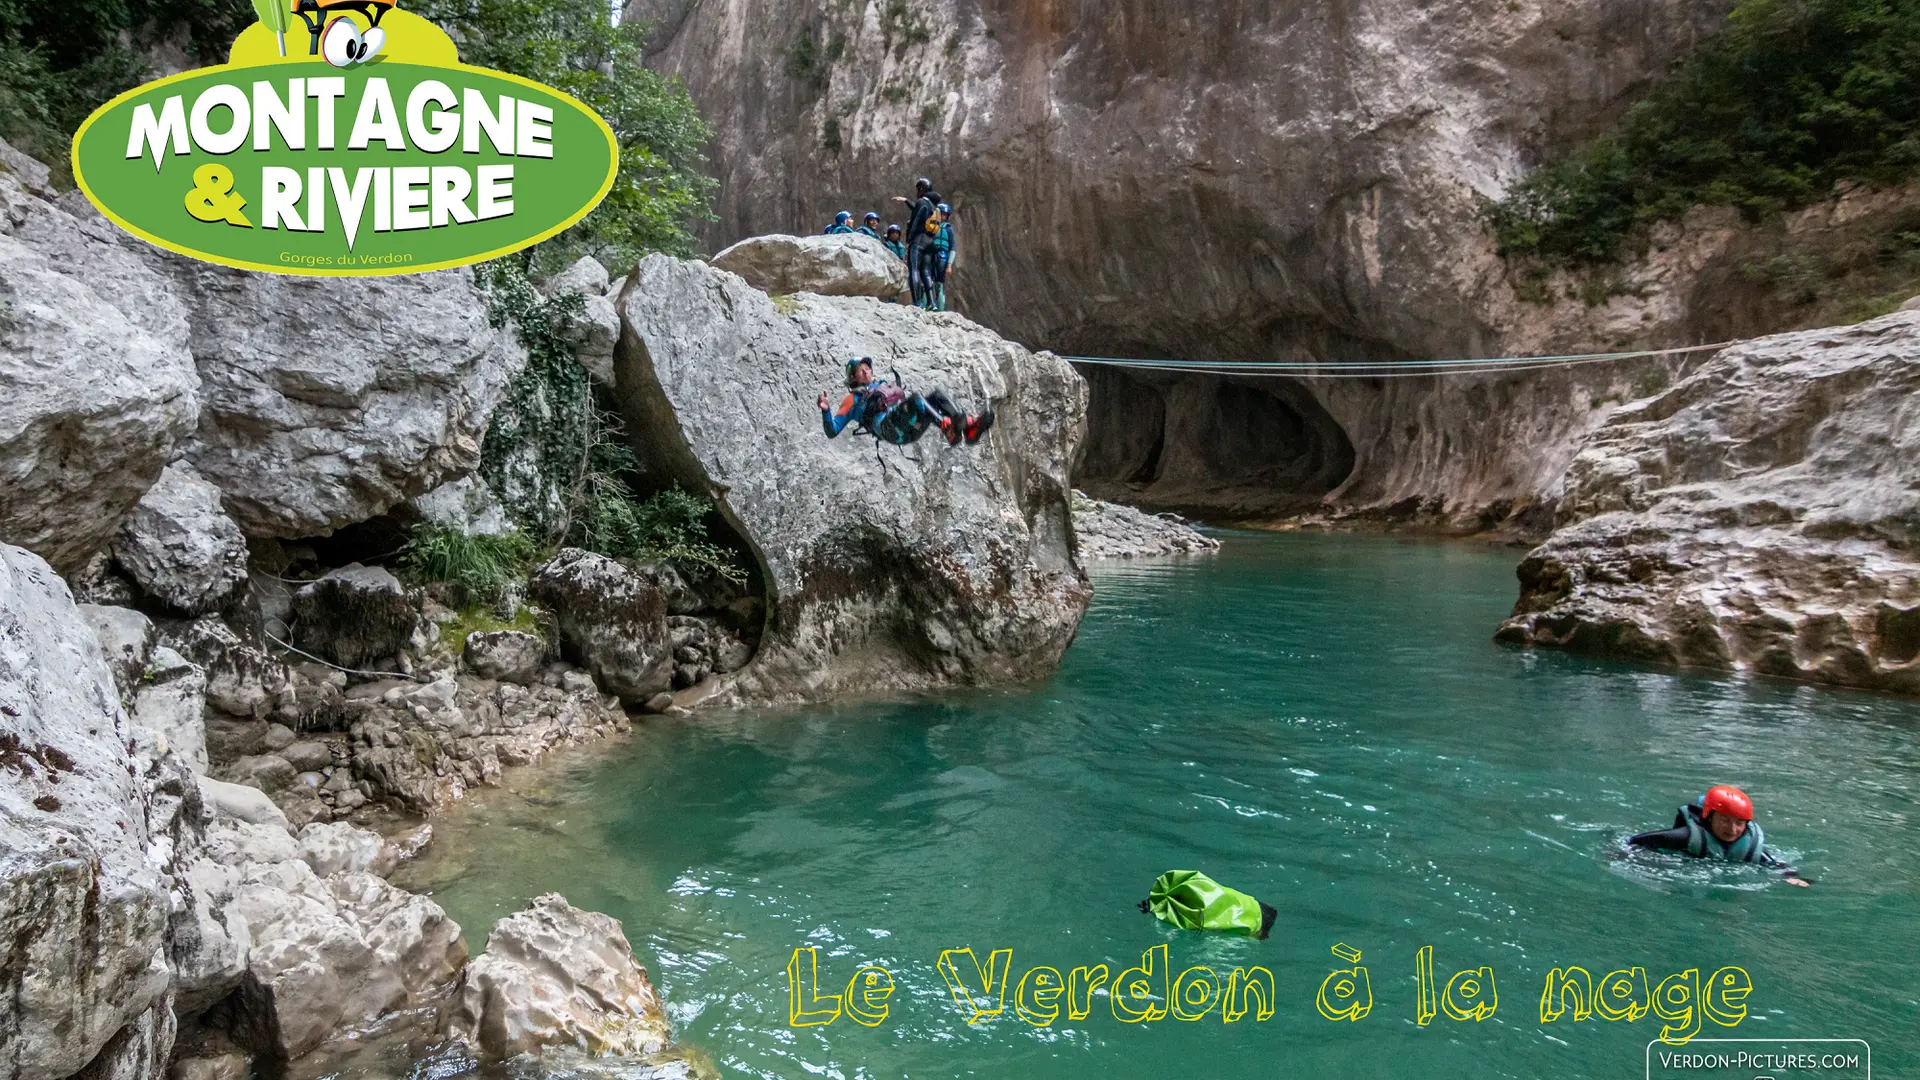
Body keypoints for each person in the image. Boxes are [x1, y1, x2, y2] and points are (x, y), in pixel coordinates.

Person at [1628, 785, 1811, 886]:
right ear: (1709, 817)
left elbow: (1774, 865)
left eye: (1739, 823)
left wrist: (1792, 876)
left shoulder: (1749, 846)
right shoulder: (1686, 837)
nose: (1732, 829)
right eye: (1724, 820)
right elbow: (1638, 841)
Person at [817, 356, 994, 448]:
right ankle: (949, 429)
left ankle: (970, 428)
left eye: (866, 368)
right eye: (859, 371)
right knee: (916, 399)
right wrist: (825, 410)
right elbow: (832, 431)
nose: (865, 371)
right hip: (889, 429)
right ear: (853, 378)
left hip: (910, 427)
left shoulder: (880, 385)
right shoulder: (852, 399)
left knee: (937, 396)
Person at [892, 178, 940, 308]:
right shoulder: (933, 205)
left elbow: (915, 220)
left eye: (918, 189)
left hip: (918, 240)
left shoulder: (921, 202)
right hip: (930, 241)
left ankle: (917, 303)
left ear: (921, 189)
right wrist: (906, 201)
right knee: (926, 271)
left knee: (914, 269)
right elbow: (918, 209)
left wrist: (908, 241)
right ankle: (931, 302)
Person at [931, 203, 955, 311]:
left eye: (944, 215)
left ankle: (940, 309)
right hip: (931, 254)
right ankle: (927, 306)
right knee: (928, 282)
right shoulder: (931, 226)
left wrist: (949, 265)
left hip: (942, 256)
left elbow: (953, 247)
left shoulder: (948, 229)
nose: (942, 216)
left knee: (939, 284)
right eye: (941, 214)